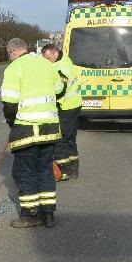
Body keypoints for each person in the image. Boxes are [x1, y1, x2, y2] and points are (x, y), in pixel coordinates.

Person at [1, 38, 63, 228]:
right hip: (50, 129)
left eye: (9, 55)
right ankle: (49, 214)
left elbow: (10, 104)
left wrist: (13, 124)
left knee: (24, 173)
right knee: (44, 171)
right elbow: (60, 89)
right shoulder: (46, 64)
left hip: (27, 129)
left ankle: (30, 215)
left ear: (12, 52)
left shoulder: (13, 68)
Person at [41, 43, 82, 180]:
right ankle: (73, 168)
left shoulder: (60, 68)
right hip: (73, 104)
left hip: (66, 106)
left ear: (54, 53)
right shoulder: (65, 59)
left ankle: (63, 171)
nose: (47, 61)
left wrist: (48, 99)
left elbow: (61, 90)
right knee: (70, 138)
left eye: (48, 58)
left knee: (60, 138)